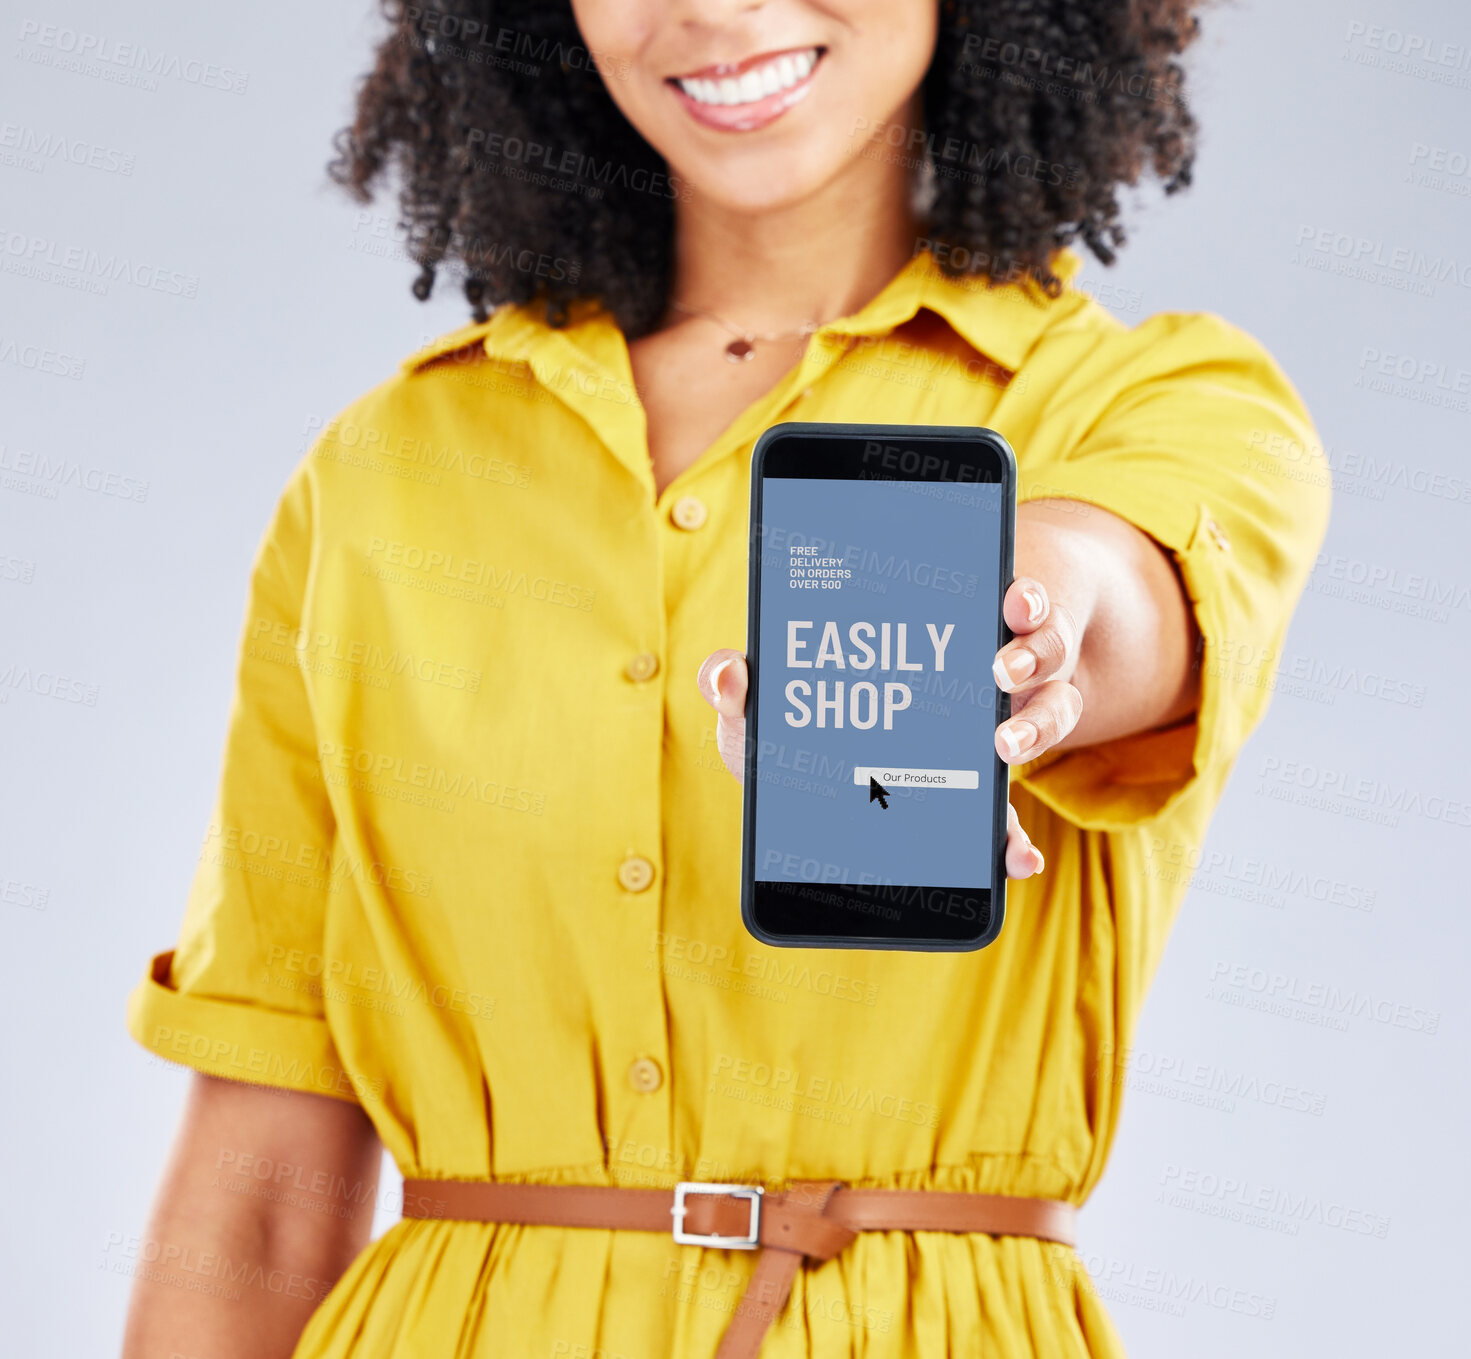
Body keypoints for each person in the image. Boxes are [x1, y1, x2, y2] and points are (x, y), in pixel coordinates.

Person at [121, 1, 1329, 1356]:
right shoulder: (382, 474)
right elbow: (259, 1208)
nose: (715, 8)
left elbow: (1113, 598)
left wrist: (978, 647)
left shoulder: (1159, 406)